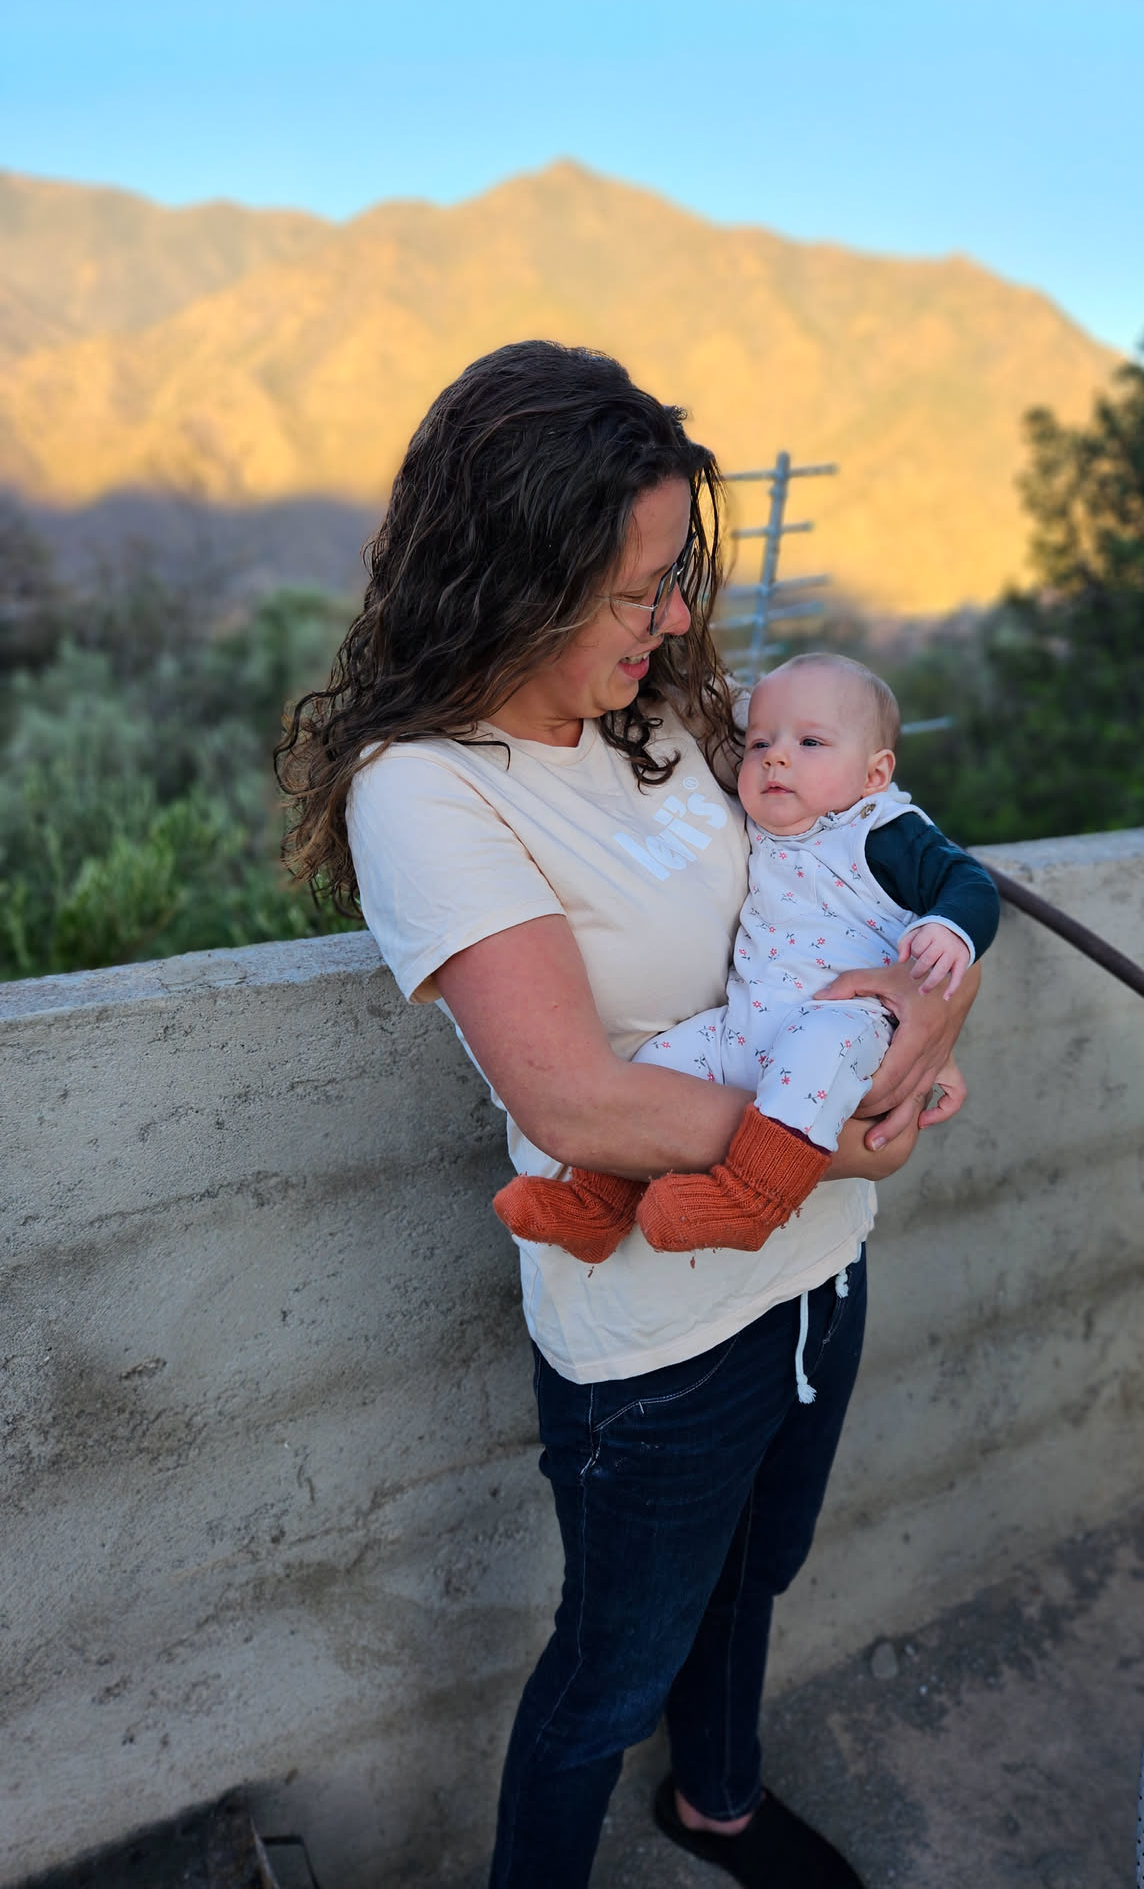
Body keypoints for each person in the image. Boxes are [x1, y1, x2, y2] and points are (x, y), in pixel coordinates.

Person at [277, 340, 982, 1889]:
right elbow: (574, 1095)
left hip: (814, 1268)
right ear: (516, 580)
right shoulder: (430, 789)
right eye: (637, 589)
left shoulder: (658, 706)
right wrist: (836, 1134)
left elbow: (849, 859)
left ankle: (715, 1802)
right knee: (608, 1673)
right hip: (656, 1336)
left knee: (757, 1579)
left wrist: (936, 999)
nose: (674, 619)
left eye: (675, 580)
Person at [494, 651, 999, 1273]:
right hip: (745, 1023)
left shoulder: (880, 830)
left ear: (875, 774)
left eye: (810, 743)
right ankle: (599, 1204)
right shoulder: (760, 823)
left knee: (818, 1045)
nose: (776, 757)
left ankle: (755, 1196)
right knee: (662, 1058)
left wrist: (948, 933)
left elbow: (969, 884)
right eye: (760, 744)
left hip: (849, 1023)